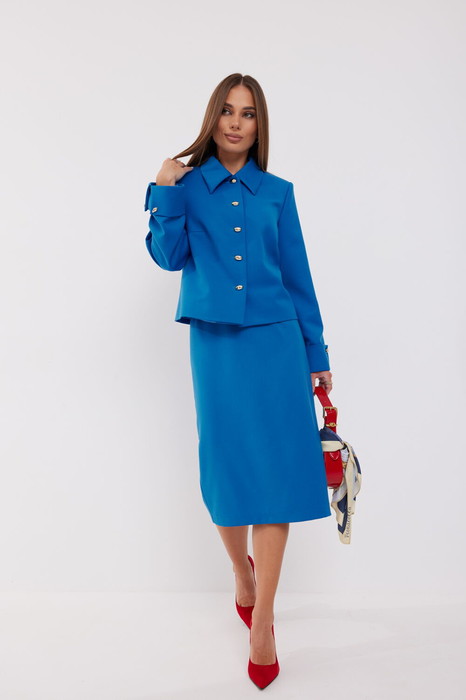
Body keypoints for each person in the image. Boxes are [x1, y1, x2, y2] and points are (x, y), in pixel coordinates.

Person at [144, 73, 333, 689]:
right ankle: (241, 573)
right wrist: (163, 188)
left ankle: (264, 621)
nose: (235, 122)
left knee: (276, 477)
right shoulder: (186, 187)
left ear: (259, 125)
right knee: (227, 474)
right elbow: (168, 257)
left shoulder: (278, 193)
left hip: (277, 346)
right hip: (218, 347)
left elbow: (299, 278)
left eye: (248, 114)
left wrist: (316, 353)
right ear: (213, 117)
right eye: (227, 110)